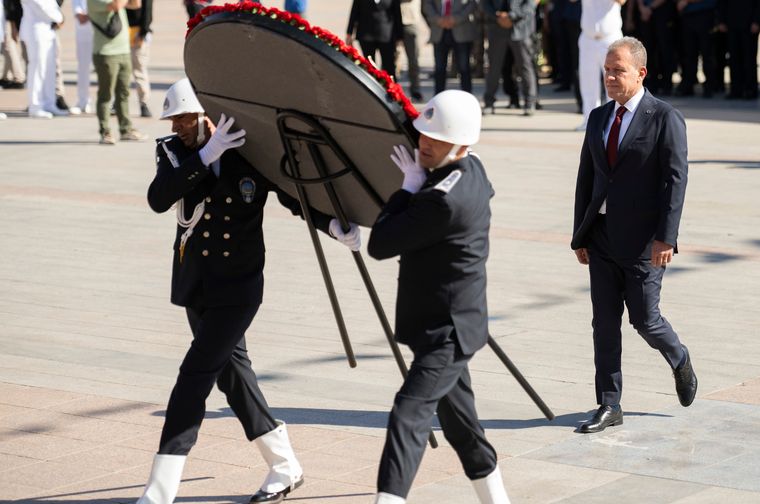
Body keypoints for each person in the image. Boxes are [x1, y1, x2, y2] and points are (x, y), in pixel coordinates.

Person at [136, 78, 361, 504]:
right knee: (234, 377)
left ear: (205, 113)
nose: (178, 126)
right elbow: (158, 198)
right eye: (175, 119)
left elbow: (295, 198)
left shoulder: (250, 153)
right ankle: (284, 465)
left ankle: (159, 490)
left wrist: (333, 226)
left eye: (185, 117)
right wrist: (205, 154)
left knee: (193, 378)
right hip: (195, 283)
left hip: (239, 287)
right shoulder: (174, 151)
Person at [367, 90, 510, 504]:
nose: (423, 144)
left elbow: (381, 243)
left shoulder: (441, 201)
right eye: (423, 135)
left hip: (447, 332)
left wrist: (407, 190)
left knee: (408, 414)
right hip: (445, 321)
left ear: (462, 145)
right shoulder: (473, 169)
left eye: (437, 140)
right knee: (461, 427)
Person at [570, 37, 697, 434]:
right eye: (607, 69)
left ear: (641, 73)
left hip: (644, 241)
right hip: (603, 237)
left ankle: (678, 357)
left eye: (618, 70)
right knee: (603, 323)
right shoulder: (598, 117)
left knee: (645, 319)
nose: (609, 76)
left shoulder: (665, 118)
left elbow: (675, 181)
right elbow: (586, 178)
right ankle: (609, 403)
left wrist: (666, 237)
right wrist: (580, 234)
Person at [88, 0, 146, 144]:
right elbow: (115, 5)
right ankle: (105, 131)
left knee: (123, 93)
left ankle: (125, 129)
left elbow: (136, 4)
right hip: (106, 53)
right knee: (105, 95)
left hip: (124, 51)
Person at [482, 0, 538, 115]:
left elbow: (530, 4)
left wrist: (512, 16)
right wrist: (497, 16)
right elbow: (485, 3)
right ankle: (489, 102)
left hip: (521, 28)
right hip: (497, 28)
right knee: (494, 68)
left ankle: (530, 102)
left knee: (525, 66)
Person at [576, 0, 624, 131]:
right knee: (588, 82)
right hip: (588, 38)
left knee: (614, 81)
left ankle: (614, 121)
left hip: (610, 38)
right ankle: (589, 121)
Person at [20, 0, 65, 118]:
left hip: (48, 28)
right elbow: (41, 4)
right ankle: (35, 106)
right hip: (36, 29)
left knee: (49, 69)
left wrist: (59, 16)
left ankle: (49, 103)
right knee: (37, 69)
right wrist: (59, 17)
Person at [423, 0, 478, 96]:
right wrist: (438, 19)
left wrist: (455, 19)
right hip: (439, 30)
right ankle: (438, 98)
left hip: (461, 30)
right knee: (439, 68)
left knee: (464, 67)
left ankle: (467, 97)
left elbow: (472, 4)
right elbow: (427, 5)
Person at [717, 0, 760, 100]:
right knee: (733, 59)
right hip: (731, 23)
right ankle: (736, 90)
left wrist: (757, 21)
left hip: (749, 23)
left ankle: (750, 89)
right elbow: (722, 2)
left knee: (749, 59)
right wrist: (721, 20)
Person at [346, 0, 403, 78]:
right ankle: (370, 89)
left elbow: (397, 14)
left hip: (387, 36)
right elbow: (354, 12)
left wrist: (400, 37)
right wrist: (349, 33)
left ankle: (390, 89)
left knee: (389, 67)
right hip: (366, 36)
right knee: (369, 67)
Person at [675, 0, 718, 98]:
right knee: (689, 54)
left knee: (707, 54)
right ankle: (689, 84)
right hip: (688, 16)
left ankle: (709, 87)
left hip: (704, 14)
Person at [127, 0, 152, 117]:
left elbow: (147, 11)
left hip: (137, 32)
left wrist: (143, 32)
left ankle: (144, 103)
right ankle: (117, 103)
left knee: (139, 70)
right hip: (120, 32)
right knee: (120, 71)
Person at [71, 0, 94, 114]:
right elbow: (81, 17)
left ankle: (111, 103)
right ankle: (83, 102)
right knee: (83, 68)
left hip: (104, 34)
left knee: (107, 68)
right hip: (84, 34)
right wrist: (97, 13)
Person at [399, 0, 422, 101]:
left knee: (413, 59)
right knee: (390, 60)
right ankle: (389, 88)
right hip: (391, 19)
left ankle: (415, 89)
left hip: (410, 21)